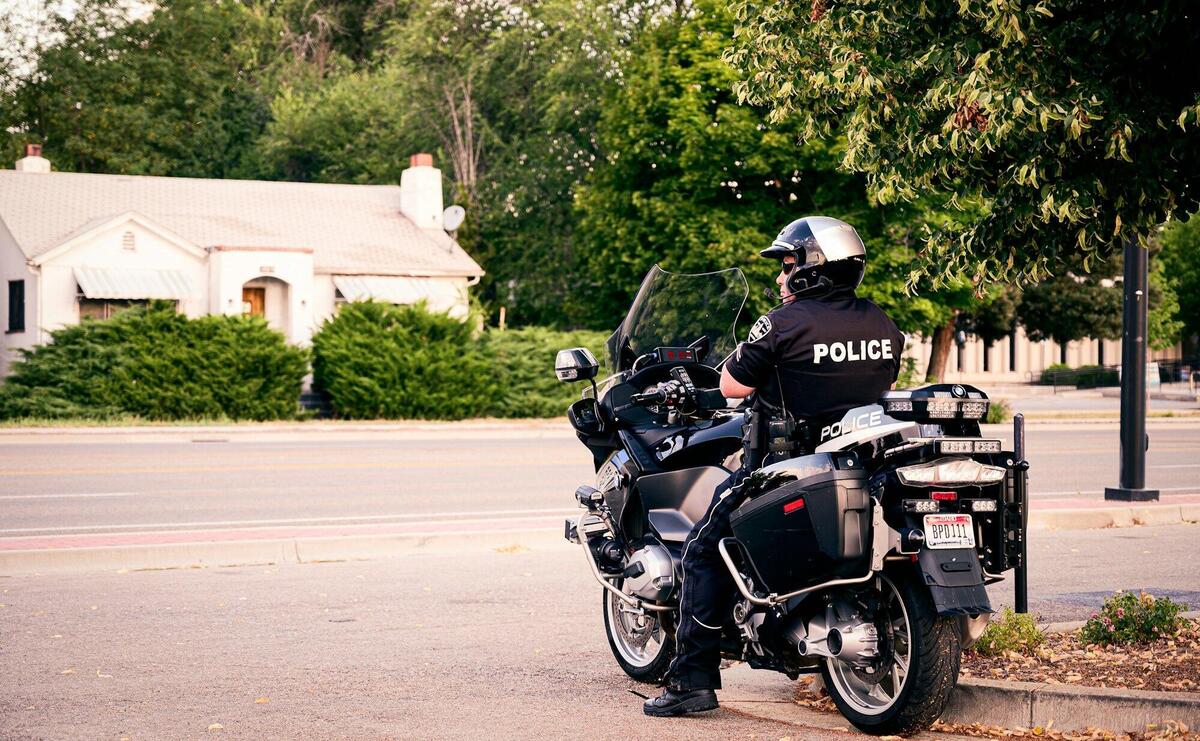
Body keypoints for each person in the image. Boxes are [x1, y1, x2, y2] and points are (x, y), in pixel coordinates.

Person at [643, 215, 906, 717]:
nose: (780, 278)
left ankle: (691, 681)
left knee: (703, 549)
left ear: (812, 270)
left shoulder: (781, 322)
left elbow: (732, 388)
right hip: (862, 461)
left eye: (787, 266)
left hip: (787, 465)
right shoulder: (881, 322)